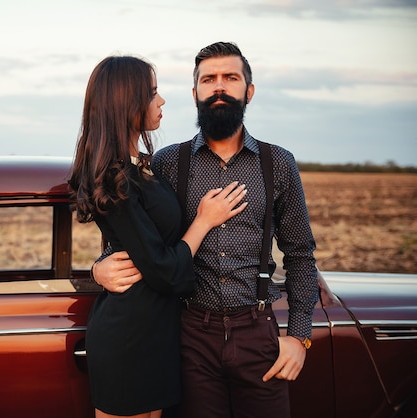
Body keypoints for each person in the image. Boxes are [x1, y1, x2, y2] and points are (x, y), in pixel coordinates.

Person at [93, 42, 318, 418]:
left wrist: (298, 336)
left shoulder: (277, 162)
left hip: (257, 331)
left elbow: (299, 256)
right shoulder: (167, 163)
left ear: (249, 90)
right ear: (194, 92)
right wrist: (100, 267)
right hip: (188, 335)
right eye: (208, 79)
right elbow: (133, 233)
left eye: (230, 78)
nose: (219, 87)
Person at [68, 55, 248, 418]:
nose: (162, 100)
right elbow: (165, 270)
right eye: (152, 93)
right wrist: (204, 221)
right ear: (127, 103)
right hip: (129, 335)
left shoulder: (141, 168)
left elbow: (138, 241)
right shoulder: (115, 178)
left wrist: (100, 263)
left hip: (157, 331)